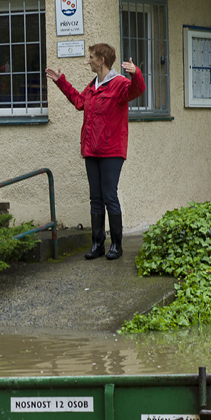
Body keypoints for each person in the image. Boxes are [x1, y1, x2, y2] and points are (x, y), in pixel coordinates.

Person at [46, 43, 145, 261]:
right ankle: (97, 244)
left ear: (102, 60)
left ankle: (116, 246)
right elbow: (79, 102)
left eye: (91, 57)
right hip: (91, 150)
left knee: (109, 196)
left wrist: (135, 73)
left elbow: (137, 90)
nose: (88, 61)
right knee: (96, 198)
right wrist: (61, 82)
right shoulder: (93, 86)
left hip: (111, 150)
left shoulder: (119, 84)